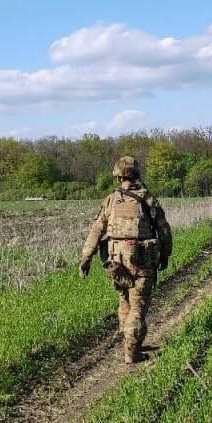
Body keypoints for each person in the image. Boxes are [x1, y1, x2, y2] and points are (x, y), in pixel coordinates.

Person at [79, 156, 173, 365]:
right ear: (137, 173)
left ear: (118, 175)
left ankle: (130, 340)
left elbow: (97, 229)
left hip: (114, 259)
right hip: (141, 258)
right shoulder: (146, 197)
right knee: (138, 305)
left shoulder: (111, 200)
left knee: (124, 299)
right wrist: (166, 253)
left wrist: (86, 257)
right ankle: (132, 352)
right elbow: (164, 229)